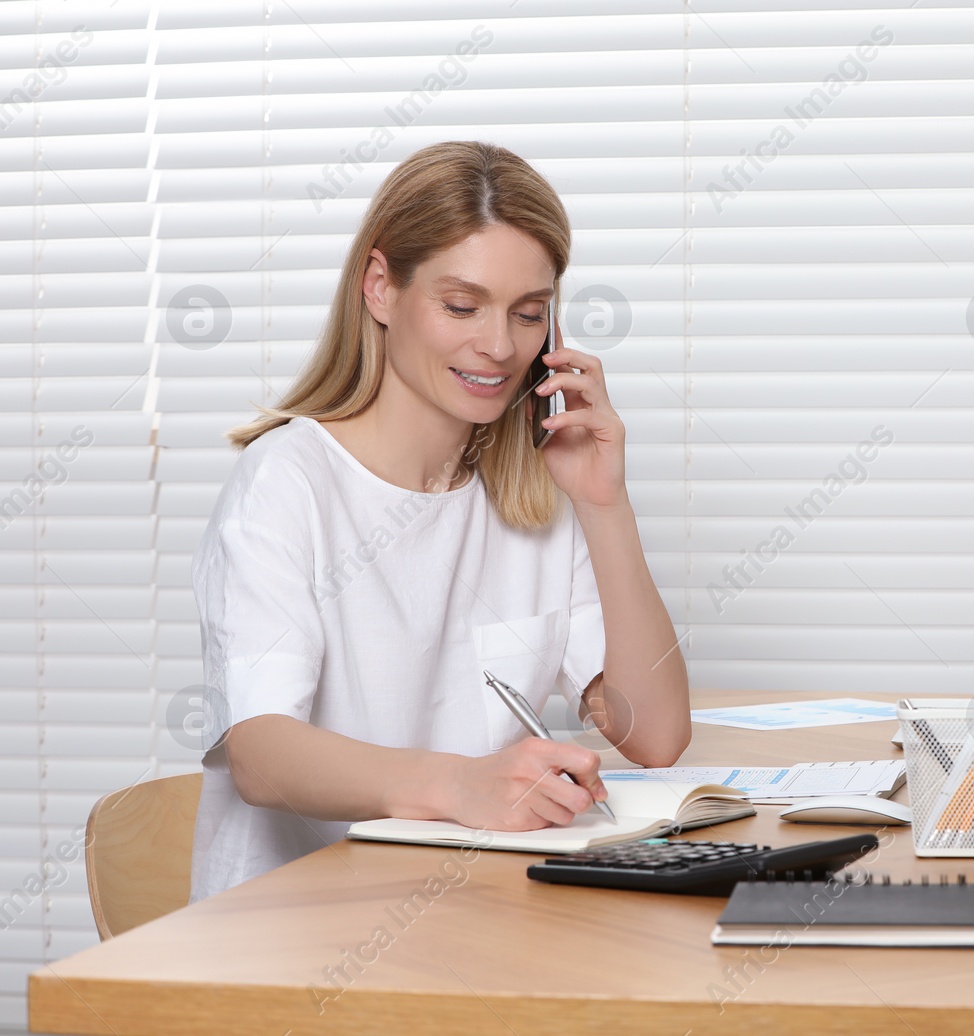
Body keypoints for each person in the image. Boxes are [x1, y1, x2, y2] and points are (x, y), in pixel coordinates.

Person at [187, 141, 690, 902]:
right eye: (462, 306)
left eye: (529, 315)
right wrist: (464, 785)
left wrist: (603, 506)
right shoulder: (287, 482)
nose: (499, 346)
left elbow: (653, 734)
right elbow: (260, 754)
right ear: (381, 289)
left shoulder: (533, 495)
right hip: (291, 934)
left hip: (470, 917)